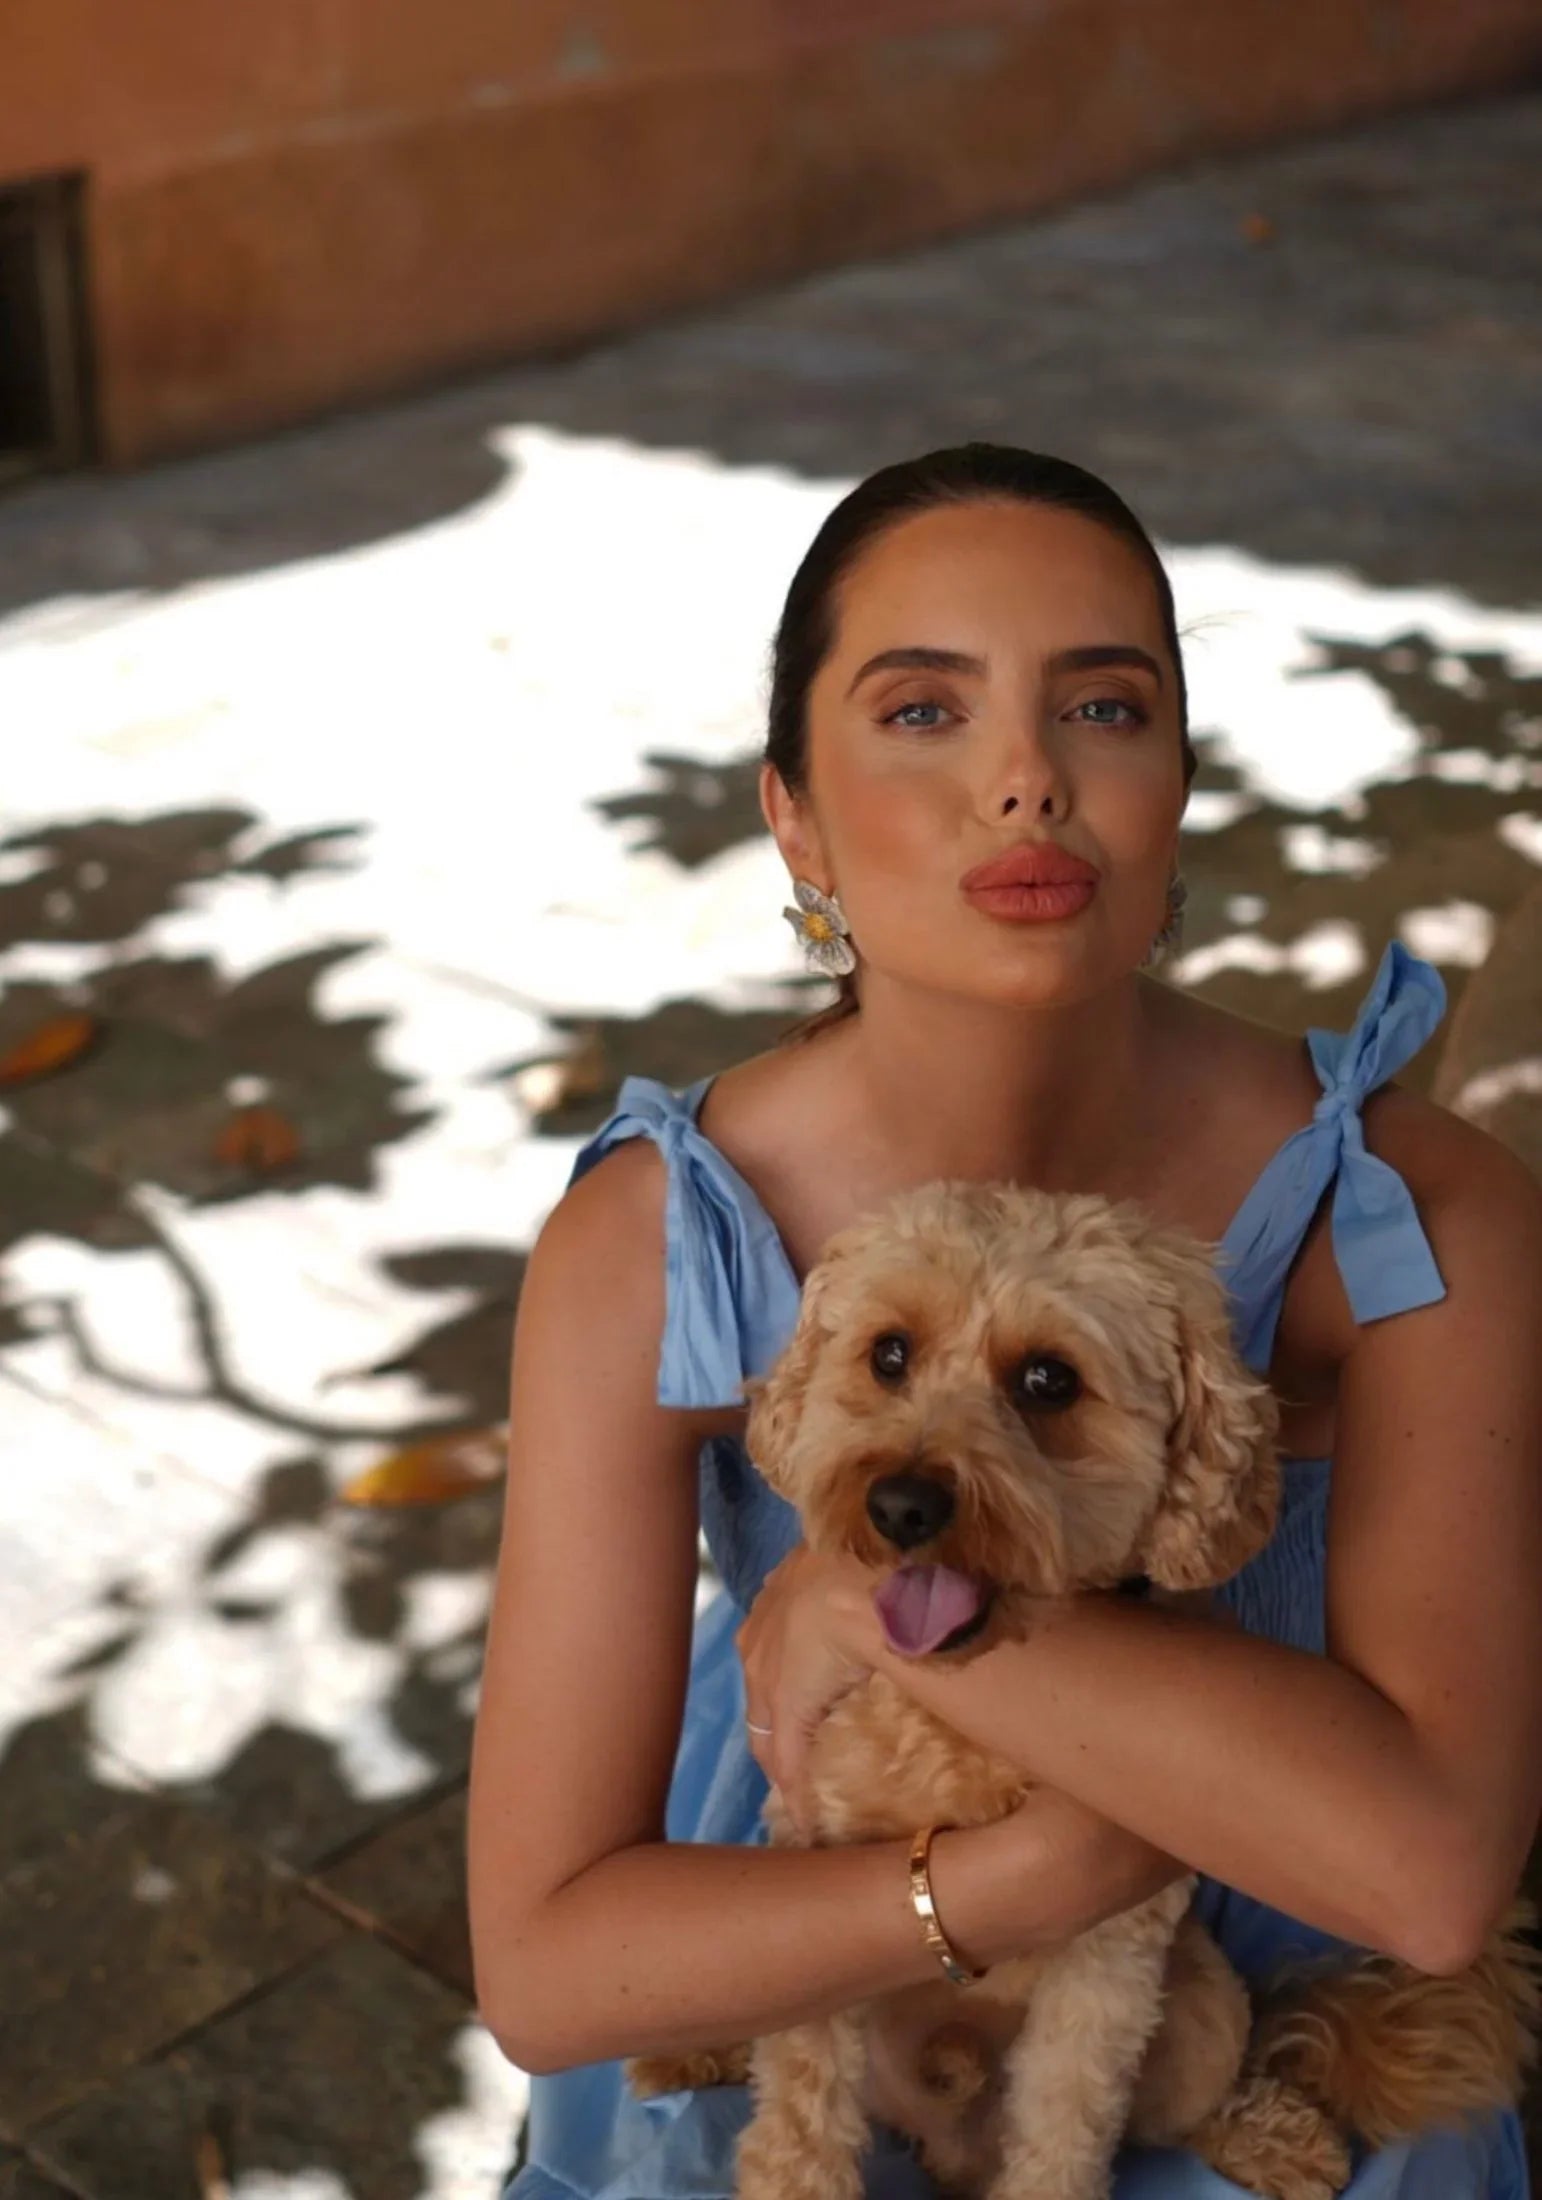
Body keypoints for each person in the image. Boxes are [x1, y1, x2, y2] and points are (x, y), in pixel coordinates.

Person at [467, 444, 1542, 2199]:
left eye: (1102, 708)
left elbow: (1424, 1876)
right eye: (921, 713)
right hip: (803, 1958)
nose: (1027, 782)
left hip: (1260, 1993)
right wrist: (1003, 1887)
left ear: (1177, 781)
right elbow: (550, 1966)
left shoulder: (1411, 1215)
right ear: (792, 813)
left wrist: (863, 1596)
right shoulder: (651, 1245)